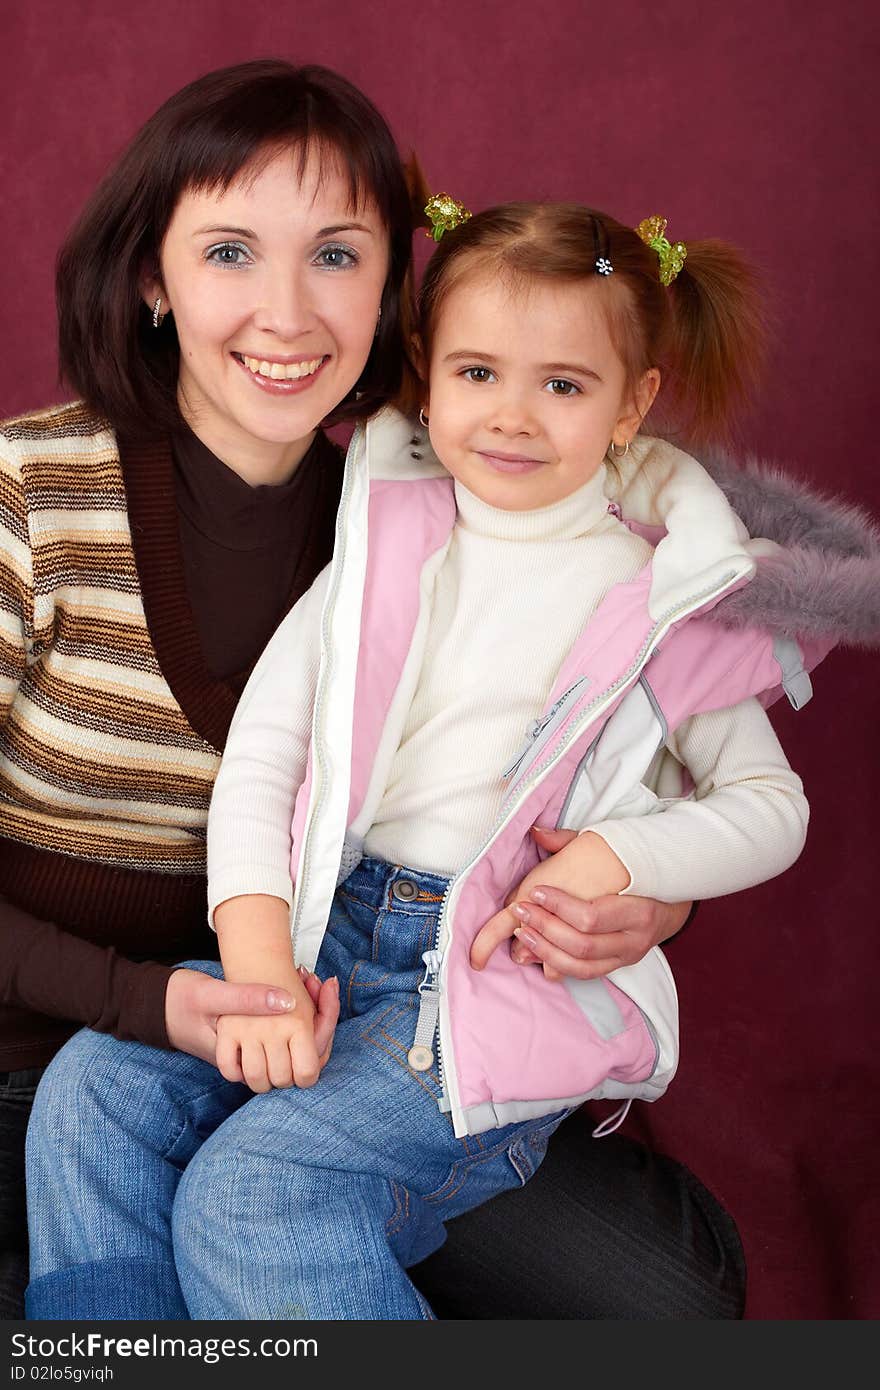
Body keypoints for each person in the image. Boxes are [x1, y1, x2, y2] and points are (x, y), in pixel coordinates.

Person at [28, 191, 846, 1321]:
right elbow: (267, 755)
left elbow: (771, 806)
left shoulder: (664, 597)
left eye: (562, 385)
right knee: (91, 1096)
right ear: (424, 370)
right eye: (476, 374)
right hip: (328, 937)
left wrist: (618, 858)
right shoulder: (384, 539)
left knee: (256, 1193)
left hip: (475, 989)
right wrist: (259, 962)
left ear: (632, 403)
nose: (512, 416)